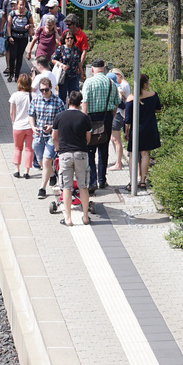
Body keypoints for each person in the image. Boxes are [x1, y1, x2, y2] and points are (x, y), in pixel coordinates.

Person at [52, 90, 92, 225]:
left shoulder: (59, 117)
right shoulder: (85, 118)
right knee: (83, 186)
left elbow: (54, 137)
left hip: (65, 154)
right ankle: (85, 217)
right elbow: (88, 138)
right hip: (81, 153)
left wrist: (58, 148)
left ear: (68, 101)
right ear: (80, 103)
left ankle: (68, 219)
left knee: (67, 187)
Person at [81, 59, 118, 191]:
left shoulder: (89, 82)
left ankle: (92, 181)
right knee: (104, 149)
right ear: (104, 69)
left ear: (92, 70)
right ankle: (102, 180)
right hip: (106, 118)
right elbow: (117, 102)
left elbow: (84, 102)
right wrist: (111, 116)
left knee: (90, 150)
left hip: (90, 118)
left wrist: (83, 121)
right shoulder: (111, 83)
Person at [28, 75, 64, 199]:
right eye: (42, 90)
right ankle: (52, 173)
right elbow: (31, 115)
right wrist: (33, 127)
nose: (44, 92)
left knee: (47, 159)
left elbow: (61, 120)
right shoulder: (36, 100)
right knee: (40, 161)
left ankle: (42, 188)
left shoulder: (58, 102)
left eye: (46, 90)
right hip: (38, 135)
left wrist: (52, 126)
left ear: (51, 88)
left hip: (51, 136)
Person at [135, 72, 163, 191]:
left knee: (135, 154)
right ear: (145, 84)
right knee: (145, 154)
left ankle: (137, 176)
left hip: (136, 128)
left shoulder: (133, 96)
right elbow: (158, 109)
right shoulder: (153, 95)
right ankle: (143, 181)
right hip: (149, 127)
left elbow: (128, 116)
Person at [4, 0, 31, 82]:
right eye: (20, 5)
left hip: (23, 38)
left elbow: (32, 24)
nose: (21, 7)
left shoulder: (28, 14)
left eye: (23, 5)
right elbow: (8, 25)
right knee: (12, 56)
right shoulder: (12, 14)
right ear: (17, 5)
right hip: (14, 37)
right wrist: (9, 36)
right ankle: (11, 73)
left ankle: (17, 75)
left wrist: (29, 26)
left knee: (19, 56)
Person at [52, 21, 83, 96]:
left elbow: (79, 62)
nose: (70, 40)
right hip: (63, 76)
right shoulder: (61, 48)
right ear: (64, 39)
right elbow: (53, 60)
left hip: (74, 76)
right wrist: (62, 65)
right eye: (68, 38)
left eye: (71, 38)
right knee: (62, 95)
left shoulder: (76, 49)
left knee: (73, 96)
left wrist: (82, 73)